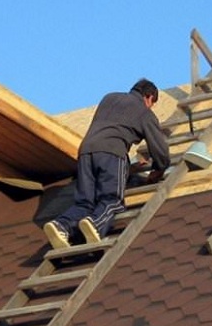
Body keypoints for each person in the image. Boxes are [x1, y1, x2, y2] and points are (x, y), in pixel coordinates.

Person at [44, 78, 170, 249]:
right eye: (152, 103)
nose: (151, 107)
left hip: (86, 152)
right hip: (112, 152)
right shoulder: (144, 112)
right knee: (113, 200)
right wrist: (159, 169)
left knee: (85, 202)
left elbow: (114, 125)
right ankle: (95, 224)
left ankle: (61, 226)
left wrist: (129, 169)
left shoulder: (109, 98)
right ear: (148, 97)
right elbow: (160, 147)